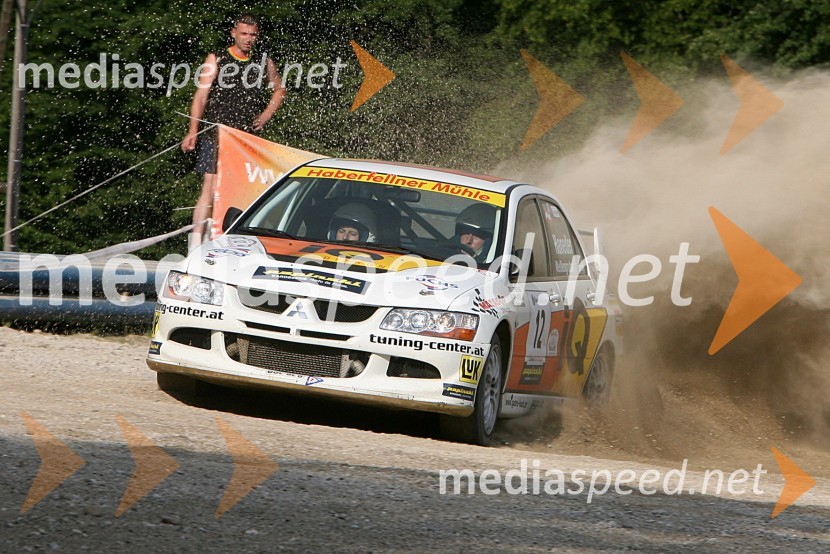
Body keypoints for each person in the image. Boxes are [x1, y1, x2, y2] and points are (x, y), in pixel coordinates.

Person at [181, 13, 286, 249]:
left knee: (244, 191)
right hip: (215, 134)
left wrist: (266, 116)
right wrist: (192, 131)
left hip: (246, 139)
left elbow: (280, 90)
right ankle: (195, 245)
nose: (249, 39)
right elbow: (201, 96)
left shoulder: (263, 61)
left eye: (253, 35)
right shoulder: (216, 58)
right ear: (234, 34)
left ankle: (234, 244)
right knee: (209, 189)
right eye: (244, 34)